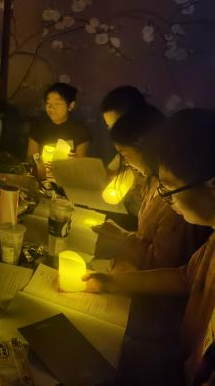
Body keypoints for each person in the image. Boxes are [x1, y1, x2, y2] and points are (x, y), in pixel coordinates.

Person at [84, 108, 215, 386]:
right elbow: (185, 277)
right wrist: (112, 281)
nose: (163, 197)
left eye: (168, 189)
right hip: (183, 358)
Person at [93, 107, 210, 270]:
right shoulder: (154, 184)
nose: (125, 163)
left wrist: (122, 238)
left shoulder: (178, 204)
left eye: (124, 155)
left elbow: (166, 266)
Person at [27, 82, 90, 160]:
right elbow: (31, 159)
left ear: (71, 105)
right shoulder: (38, 128)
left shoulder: (80, 131)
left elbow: (81, 162)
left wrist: (74, 161)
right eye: (48, 103)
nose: (51, 108)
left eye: (57, 104)